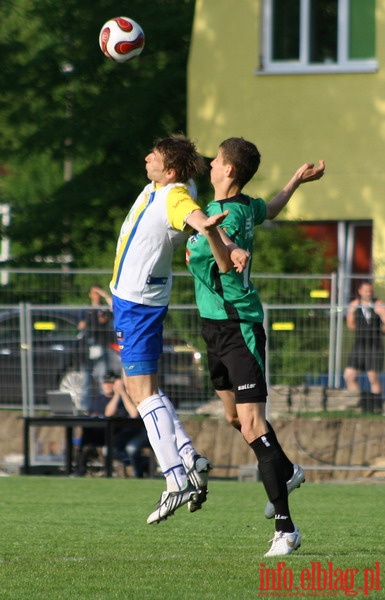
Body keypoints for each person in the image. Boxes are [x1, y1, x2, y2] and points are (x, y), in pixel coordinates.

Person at [186, 137, 325, 557]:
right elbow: (273, 208)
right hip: (214, 328)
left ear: (228, 171)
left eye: (217, 161)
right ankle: (286, 469)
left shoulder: (219, 215)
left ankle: (286, 528)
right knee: (233, 417)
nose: (210, 165)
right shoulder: (246, 206)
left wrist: (219, 239)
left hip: (238, 326)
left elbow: (225, 260)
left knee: (252, 426)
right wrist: (296, 181)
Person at [110, 134, 248, 524]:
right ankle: (189, 457)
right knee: (148, 391)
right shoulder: (163, 186)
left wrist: (212, 229)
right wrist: (228, 242)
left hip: (136, 303)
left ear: (169, 170)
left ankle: (175, 478)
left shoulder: (173, 196)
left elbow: (194, 215)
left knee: (141, 394)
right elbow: (196, 209)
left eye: (153, 155)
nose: (145, 158)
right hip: (136, 299)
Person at [74, 371, 150, 477]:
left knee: (116, 448)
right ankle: (80, 469)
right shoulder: (97, 399)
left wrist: (120, 393)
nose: (107, 386)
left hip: (122, 432)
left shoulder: (124, 399)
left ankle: (142, 464)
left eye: (111, 383)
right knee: (86, 435)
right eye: (105, 383)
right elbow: (105, 413)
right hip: (101, 432)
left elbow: (133, 414)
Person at [344, 280, 385, 413]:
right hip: (360, 344)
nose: (368, 293)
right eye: (366, 291)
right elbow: (350, 324)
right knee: (349, 375)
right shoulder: (354, 306)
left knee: (372, 377)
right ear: (360, 292)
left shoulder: (378, 305)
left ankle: (376, 406)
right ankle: (357, 403)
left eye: (370, 291)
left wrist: (378, 329)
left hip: (374, 345)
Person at [78, 285, 117, 409]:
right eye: (94, 293)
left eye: (98, 293)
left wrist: (105, 295)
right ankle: (85, 408)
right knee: (85, 378)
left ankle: (102, 406)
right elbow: (81, 325)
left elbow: (111, 310)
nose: (96, 296)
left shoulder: (104, 309)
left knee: (102, 376)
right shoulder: (85, 309)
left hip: (100, 345)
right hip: (86, 348)